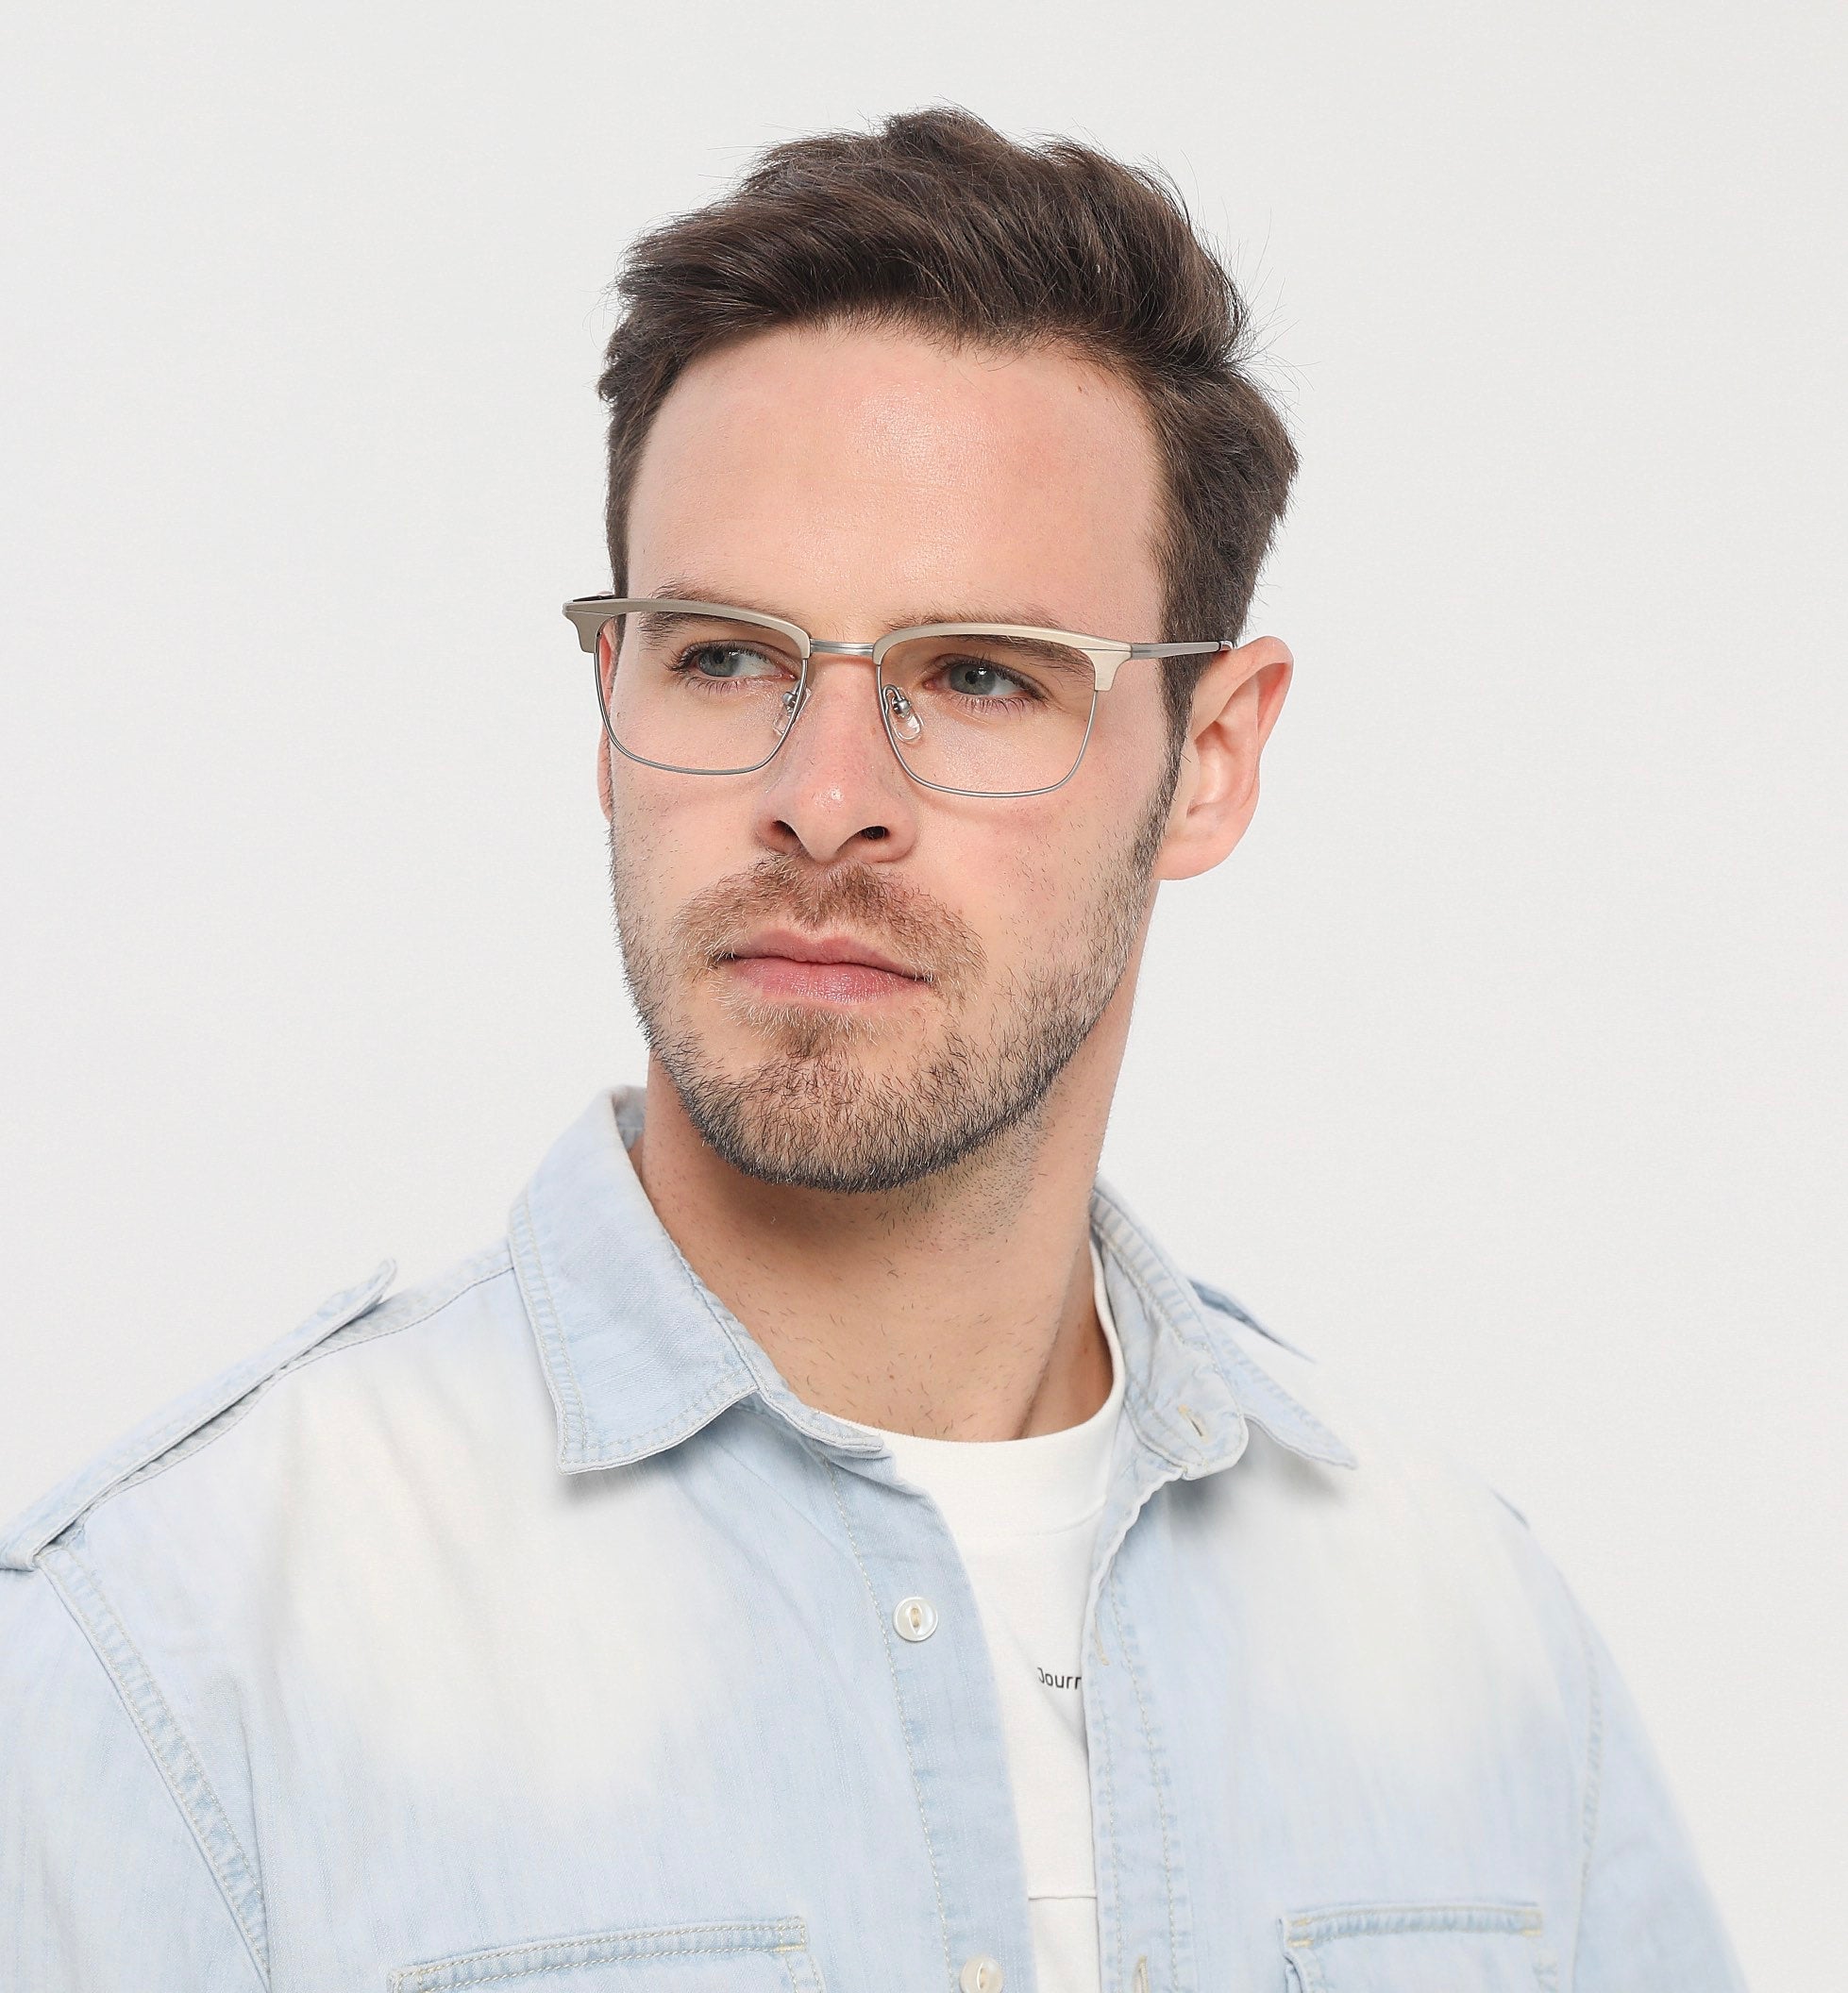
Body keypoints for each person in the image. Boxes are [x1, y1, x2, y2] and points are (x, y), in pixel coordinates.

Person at [0, 108, 1743, 1993]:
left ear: (1211, 761)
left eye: (977, 676)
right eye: (724, 656)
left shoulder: (1472, 1644)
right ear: (609, 703)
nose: (823, 801)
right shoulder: (171, 1655)